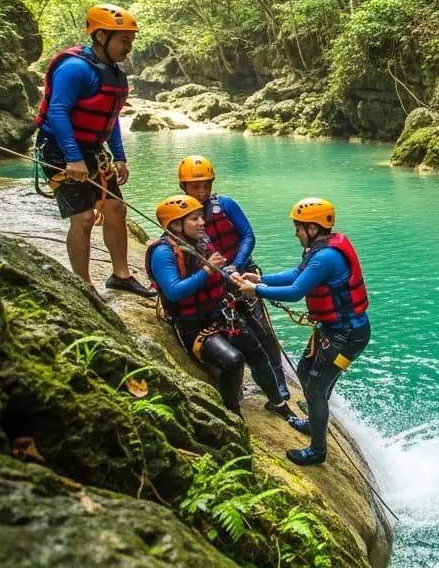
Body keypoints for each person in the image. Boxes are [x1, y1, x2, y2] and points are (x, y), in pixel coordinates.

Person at [145, 194, 306, 431]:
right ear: (176, 225)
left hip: (218, 313)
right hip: (191, 324)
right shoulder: (164, 253)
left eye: (201, 217)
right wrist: (207, 272)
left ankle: (279, 404)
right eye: (194, 219)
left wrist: (230, 275)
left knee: (258, 353)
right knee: (233, 361)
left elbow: (218, 270)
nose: (202, 222)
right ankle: (233, 417)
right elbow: (174, 291)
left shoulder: (200, 242)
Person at [237, 197, 370, 466]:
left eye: (298, 227)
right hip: (334, 330)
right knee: (304, 372)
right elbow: (297, 274)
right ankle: (314, 421)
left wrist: (256, 291)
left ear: (312, 228)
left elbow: (296, 291)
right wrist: (261, 279)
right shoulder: (319, 251)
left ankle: (317, 451)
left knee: (316, 387)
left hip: (347, 336)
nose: (295, 232)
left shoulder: (325, 258)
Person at [34, 3, 154, 297]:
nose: (129, 47)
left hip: (92, 148)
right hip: (59, 150)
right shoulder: (74, 69)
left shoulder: (114, 74)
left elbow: (110, 119)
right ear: (101, 36)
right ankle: (84, 284)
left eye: (131, 41)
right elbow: (58, 113)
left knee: (116, 209)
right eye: (124, 40)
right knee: (85, 217)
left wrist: (120, 156)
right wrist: (73, 158)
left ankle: (121, 275)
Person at [177, 154, 289, 400]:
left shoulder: (226, 205)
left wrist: (236, 265)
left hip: (241, 276)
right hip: (215, 283)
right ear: (183, 187)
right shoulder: (180, 218)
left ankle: (278, 380)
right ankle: (233, 380)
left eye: (206, 185)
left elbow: (248, 235)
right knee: (232, 329)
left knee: (262, 331)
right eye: (196, 186)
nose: (202, 191)